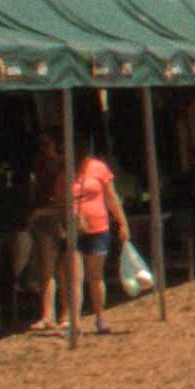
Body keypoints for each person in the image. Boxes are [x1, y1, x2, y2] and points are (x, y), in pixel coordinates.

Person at [68, 137, 131, 336]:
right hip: (74, 230)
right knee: (75, 276)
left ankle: (100, 316)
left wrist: (122, 222)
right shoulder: (66, 171)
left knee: (95, 275)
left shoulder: (99, 168)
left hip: (98, 227)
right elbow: (61, 198)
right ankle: (75, 321)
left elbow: (111, 197)